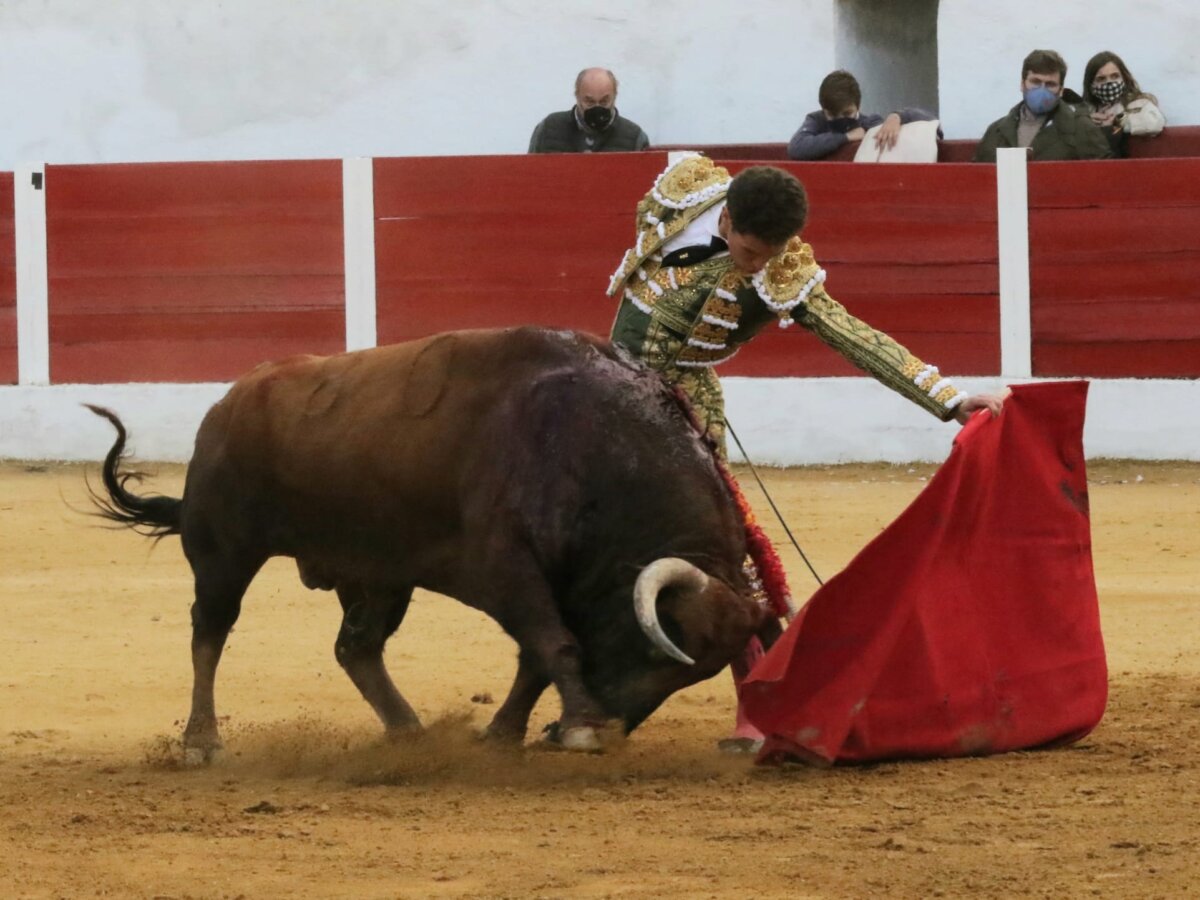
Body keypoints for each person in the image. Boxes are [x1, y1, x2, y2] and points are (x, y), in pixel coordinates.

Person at [606, 154, 1009, 752]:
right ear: (725, 222)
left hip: (685, 402)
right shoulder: (686, 194)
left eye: (771, 254)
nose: (760, 266)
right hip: (606, 383)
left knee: (729, 541)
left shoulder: (783, 270)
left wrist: (946, 398)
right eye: (749, 253)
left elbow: (850, 334)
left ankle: (758, 708)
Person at [974, 50, 1112, 162]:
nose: (1042, 90)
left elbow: (1105, 176)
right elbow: (977, 179)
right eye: (1035, 81)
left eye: (1050, 84)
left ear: (1061, 90)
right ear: (1023, 84)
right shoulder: (996, 131)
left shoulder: (1082, 128)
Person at [787, 70, 940, 161]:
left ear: (858, 106)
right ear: (823, 109)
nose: (841, 118)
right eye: (832, 114)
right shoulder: (816, 120)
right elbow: (797, 147)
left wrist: (897, 117)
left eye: (847, 113)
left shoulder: (869, 122)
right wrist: (845, 137)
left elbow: (931, 120)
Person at [528, 67, 650, 154]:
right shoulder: (548, 129)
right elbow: (531, 175)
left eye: (604, 102)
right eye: (589, 102)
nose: (597, 108)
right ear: (577, 96)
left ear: (615, 96)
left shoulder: (634, 137)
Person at [1079, 51, 1165, 157]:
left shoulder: (1139, 103)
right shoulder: (1085, 109)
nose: (1109, 82)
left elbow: (1154, 122)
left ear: (1124, 79)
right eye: (1101, 79)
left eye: (1114, 76)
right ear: (1091, 85)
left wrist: (1118, 122)